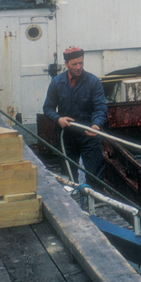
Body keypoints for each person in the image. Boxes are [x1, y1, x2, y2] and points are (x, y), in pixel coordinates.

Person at [43, 46, 108, 183]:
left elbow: (101, 107)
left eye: (81, 63)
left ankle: (95, 203)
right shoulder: (56, 83)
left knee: (95, 175)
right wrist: (58, 119)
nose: (79, 67)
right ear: (66, 64)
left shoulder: (93, 82)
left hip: (89, 135)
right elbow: (48, 108)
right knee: (68, 175)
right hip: (66, 136)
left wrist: (96, 125)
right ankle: (71, 201)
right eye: (74, 64)